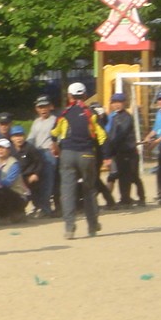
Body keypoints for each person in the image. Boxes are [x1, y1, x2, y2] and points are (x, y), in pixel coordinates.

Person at [51, 81, 107, 239]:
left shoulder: (63, 114)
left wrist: (55, 146)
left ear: (69, 96)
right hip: (87, 155)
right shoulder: (92, 113)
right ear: (85, 95)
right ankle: (92, 226)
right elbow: (102, 136)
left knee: (67, 192)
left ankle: (69, 228)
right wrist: (106, 156)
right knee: (89, 190)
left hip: (67, 154)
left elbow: (54, 133)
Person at [103, 93, 145, 208]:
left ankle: (138, 198)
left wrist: (109, 149)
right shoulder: (114, 117)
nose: (116, 105)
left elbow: (120, 135)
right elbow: (110, 134)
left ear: (124, 103)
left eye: (119, 102)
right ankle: (125, 199)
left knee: (132, 176)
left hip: (129, 152)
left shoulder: (126, 117)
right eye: (114, 102)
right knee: (122, 176)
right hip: (119, 152)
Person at [27, 95, 59, 216]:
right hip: (37, 154)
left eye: (45, 106)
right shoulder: (36, 122)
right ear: (36, 109)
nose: (43, 109)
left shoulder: (55, 120)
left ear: (50, 107)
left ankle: (46, 209)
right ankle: (39, 206)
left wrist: (56, 146)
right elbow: (31, 139)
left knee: (47, 183)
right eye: (40, 107)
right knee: (36, 183)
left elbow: (60, 136)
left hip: (49, 154)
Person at [8, 125, 47, 216]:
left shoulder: (30, 148)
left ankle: (40, 208)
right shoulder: (10, 149)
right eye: (16, 136)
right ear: (11, 138)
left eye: (20, 135)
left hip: (29, 177)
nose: (19, 138)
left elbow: (40, 161)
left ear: (24, 136)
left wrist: (36, 173)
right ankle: (17, 212)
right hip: (16, 178)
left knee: (34, 191)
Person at [0, 138, 30, 222]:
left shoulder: (14, 164)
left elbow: (8, 183)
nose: (0, 150)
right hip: (2, 192)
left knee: (2, 190)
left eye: (3, 148)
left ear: (9, 150)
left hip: (18, 195)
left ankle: (8, 215)